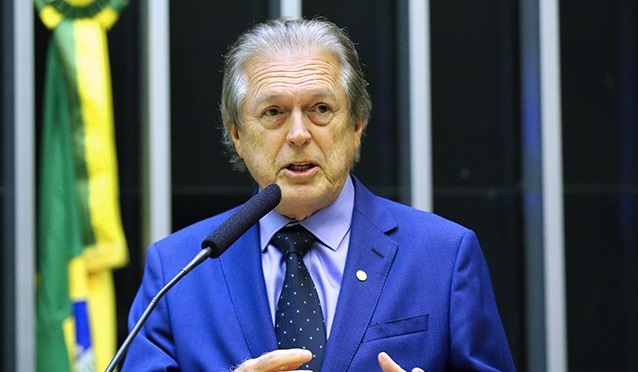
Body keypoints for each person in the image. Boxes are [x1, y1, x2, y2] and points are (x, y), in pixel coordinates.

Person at [122, 18, 515, 371]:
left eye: (321, 109)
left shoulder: (444, 257)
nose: (298, 134)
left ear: (357, 125)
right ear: (237, 134)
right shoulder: (178, 269)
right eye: (273, 112)